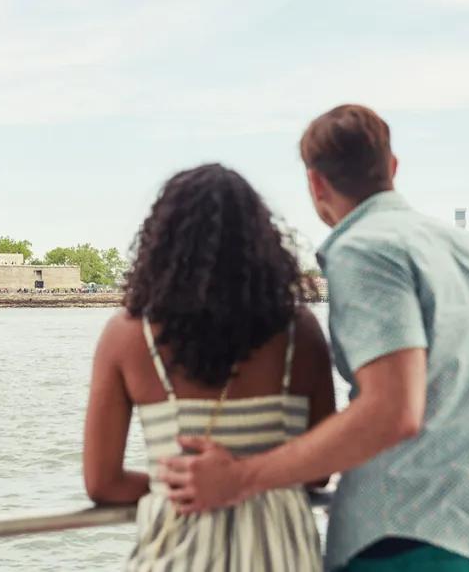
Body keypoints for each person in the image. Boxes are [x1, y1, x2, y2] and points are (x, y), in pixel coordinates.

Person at [160, 105, 469, 571]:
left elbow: (393, 412)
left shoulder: (365, 247)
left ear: (316, 183)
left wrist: (239, 478)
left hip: (411, 539)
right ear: (392, 167)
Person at [83, 164, 336, 570]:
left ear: (162, 242)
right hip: (282, 555)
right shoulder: (298, 334)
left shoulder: (128, 336)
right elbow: (319, 470)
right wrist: (250, 482)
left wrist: (182, 485)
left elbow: (102, 483)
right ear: (260, 241)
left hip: (175, 554)